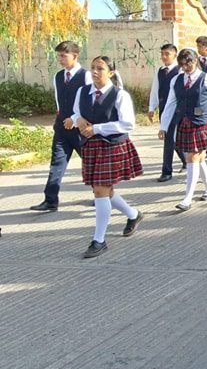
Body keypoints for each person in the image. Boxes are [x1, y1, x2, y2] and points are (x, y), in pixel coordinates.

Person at [66, 56, 144, 257]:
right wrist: (77, 119)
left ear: (110, 72)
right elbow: (76, 113)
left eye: (100, 68)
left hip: (112, 145)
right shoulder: (82, 91)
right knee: (104, 190)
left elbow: (128, 124)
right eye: (92, 68)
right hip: (91, 145)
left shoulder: (120, 95)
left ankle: (99, 240)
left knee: (100, 190)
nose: (94, 72)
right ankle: (133, 215)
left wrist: (97, 128)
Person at [159, 48, 207, 211]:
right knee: (197, 158)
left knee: (192, 157)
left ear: (195, 61)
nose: (185, 67)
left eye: (188, 63)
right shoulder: (176, 80)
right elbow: (170, 103)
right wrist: (163, 126)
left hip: (204, 122)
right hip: (185, 122)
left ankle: (187, 198)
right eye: (182, 65)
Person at [30, 40, 93, 212]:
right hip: (62, 128)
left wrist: (74, 118)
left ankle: (102, 194)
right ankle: (50, 200)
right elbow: (59, 101)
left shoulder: (85, 75)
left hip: (80, 128)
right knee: (56, 163)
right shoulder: (58, 76)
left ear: (75, 55)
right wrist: (60, 119)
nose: (61, 59)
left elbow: (88, 102)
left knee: (90, 162)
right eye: (59, 56)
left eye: (64, 56)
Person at [149, 43, 186, 182]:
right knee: (171, 138)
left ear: (175, 55)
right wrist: (151, 108)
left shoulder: (180, 71)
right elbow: (155, 90)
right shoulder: (160, 71)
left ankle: (166, 171)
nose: (164, 57)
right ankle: (185, 160)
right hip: (164, 108)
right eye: (162, 54)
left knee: (169, 138)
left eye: (167, 54)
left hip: (178, 110)